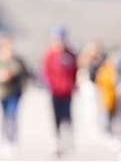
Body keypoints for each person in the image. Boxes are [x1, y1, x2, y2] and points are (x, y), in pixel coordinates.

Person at [0, 36, 31, 154]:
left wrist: (10, 73)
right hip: (1, 92)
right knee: (4, 116)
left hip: (15, 92)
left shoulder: (17, 60)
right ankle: (4, 139)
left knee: (12, 115)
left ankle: (12, 139)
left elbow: (23, 73)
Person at [43, 26, 80, 157]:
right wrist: (50, 85)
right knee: (56, 117)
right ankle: (57, 142)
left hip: (67, 91)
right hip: (55, 91)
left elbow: (75, 70)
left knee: (68, 116)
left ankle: (68, 141)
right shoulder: (50, 54)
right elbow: (46, 72)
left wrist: (74, 84)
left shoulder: (71, 54)